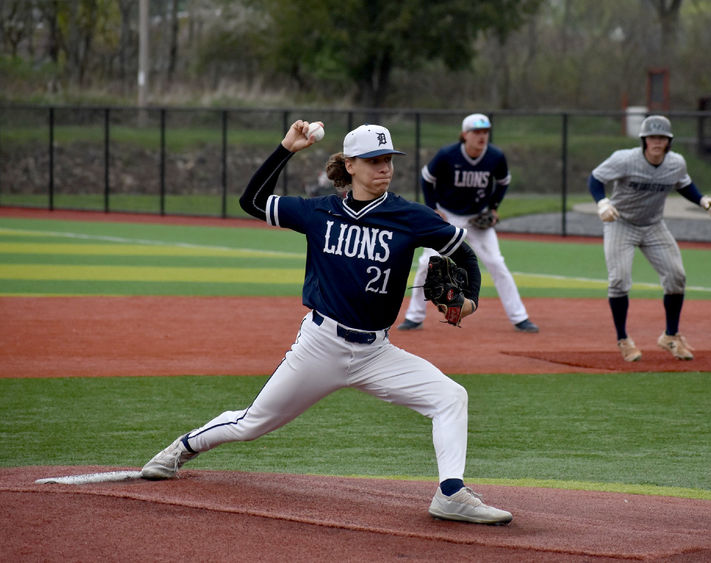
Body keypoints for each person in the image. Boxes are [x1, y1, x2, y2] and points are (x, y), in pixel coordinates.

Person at [141, 120, 513, 525]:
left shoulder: (410, 216)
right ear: (350, 165)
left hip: (377, 353)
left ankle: (451, 494)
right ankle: (181, 448)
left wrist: (469, 302)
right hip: (320, 346)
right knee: (252, 424)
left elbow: (466, 254)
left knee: (450, 397)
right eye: (373, 160)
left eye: (388, 159)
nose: (384, 167)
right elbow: (251, 201)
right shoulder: (319, 212)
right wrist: (286, 148)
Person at [587, 114, 711, 362]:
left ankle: (670, 335)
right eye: (652, 137)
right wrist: (602, 202)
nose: (657, 142)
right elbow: (595, 178)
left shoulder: (676, 163)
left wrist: (702, 200)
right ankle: (623, 339)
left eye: (662, 138)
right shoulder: (625, 159)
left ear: (669, 142)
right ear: (644, 141)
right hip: (620, 223)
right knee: (619, 280)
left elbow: (683, 184)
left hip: (653, 225)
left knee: (677, 276)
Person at [398, 113, 539, 333]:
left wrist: (493, 207)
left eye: (485, 132)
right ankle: (414, 316)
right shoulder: (448, 155)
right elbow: (426, 179)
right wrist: (433, 208)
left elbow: (503, 182)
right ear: (465, 134)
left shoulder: (495, 156)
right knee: (428, 264)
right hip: (447, 217)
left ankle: (520, 317)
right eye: (476, 132)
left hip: (477, 218)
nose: (482, 136)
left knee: (496, 263)